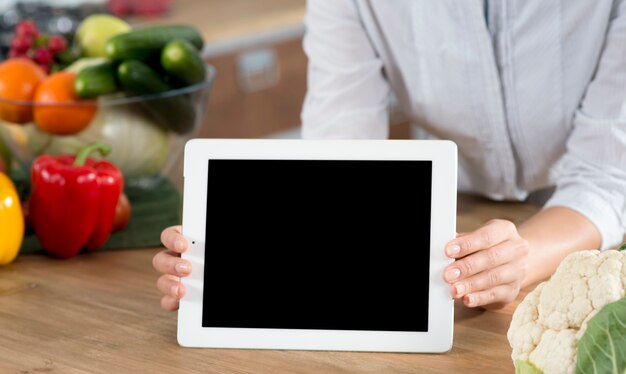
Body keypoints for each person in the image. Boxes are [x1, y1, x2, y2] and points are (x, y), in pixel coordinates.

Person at [153, 1, 626, 311]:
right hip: (459, 214)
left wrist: (520, 258)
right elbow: (339, 162)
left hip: (591, 234)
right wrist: (244, 257)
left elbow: (607, 177)